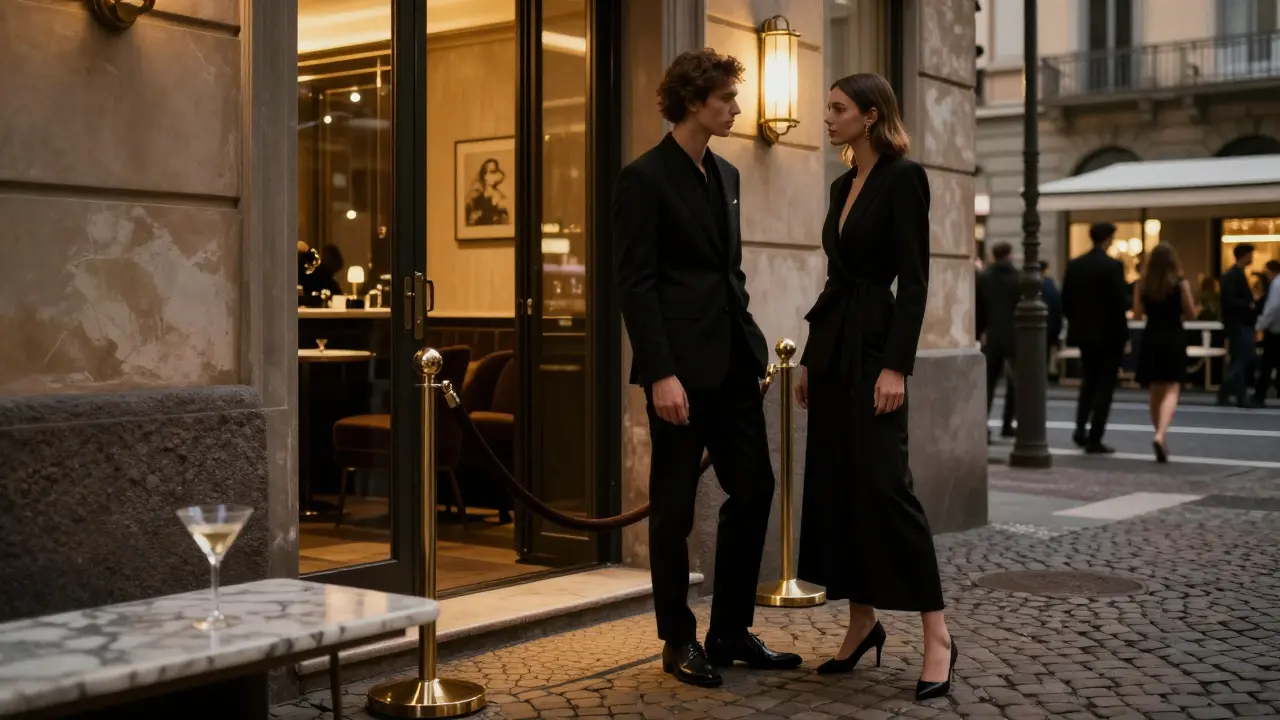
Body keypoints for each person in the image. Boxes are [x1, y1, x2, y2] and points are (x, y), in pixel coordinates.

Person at [612, 49, 801, 688]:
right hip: (679, 374)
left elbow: (730, 273)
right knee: (673, 509)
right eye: (726, 99)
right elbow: (636, 285)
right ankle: (677, 639)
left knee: (755, 489)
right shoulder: (643, 178)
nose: (736, 109)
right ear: (694, 102)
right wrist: (660, 372)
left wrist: (748, 342)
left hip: (734, 363)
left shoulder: (727, 175)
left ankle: (728, 631)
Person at [795, 72, 957, 702]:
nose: (826, 117)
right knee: (840, 488)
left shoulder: (903, 177)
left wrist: (898, 366)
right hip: (834, 350)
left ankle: (938, 637)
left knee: (888, 490)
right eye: (826, 107)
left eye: (836, 108)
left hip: (875, 349)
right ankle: (862, 623)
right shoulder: (842, 184)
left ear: (869, 115)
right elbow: (835, 280)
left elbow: (915, 280)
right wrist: (811, 358)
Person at [1061, 223, 1129, 454]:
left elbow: (1066, 301)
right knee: (1105, 386)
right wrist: (1124, 335)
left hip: (1084, 334)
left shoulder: (1075, 265)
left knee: (1088, 382)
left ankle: (1080, 428)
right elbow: (1120, 303)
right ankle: (1095, 437)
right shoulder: (1113, 267)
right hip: (1110, 335)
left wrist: (1078, 322)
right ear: (1108, 239)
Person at [1133, 244, 1199, 463]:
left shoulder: (1142, 284)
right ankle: (1161, 434)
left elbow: (1136, 315)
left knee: (1155, 389)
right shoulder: (1180, 283)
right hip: (1173, 336)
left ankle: (1159, 434)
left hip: (1152, 336)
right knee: (1172, 387)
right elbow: (1190, 314)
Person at [976, 242, 1021, 440]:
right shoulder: (1019, 277)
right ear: (1009, 255)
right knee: (1015, 384)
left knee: (988, 384)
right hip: (1015, 336)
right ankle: (1008, 423)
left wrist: (980, 331)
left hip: (992, 335)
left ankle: (982, 427)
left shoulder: (984, 277)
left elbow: (979, 307)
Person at [1219, 243, 1260, 408]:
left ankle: (1230, 393)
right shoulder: (1232, 275)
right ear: (1244, 255)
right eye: (1250, 254)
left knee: (1240, 359)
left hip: (1240, 323)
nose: (1252, 258)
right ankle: (1235, 394)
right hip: (1238, 323)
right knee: (1242, 358)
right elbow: (1228, 301)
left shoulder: (1238, 274)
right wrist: (1248, 304)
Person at [1254, 260, 1280, 406]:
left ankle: (1259, 395)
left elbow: (1273, 308)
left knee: (1267, 364)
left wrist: (1261, 325)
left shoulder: (1276, 284)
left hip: (1275, 330)